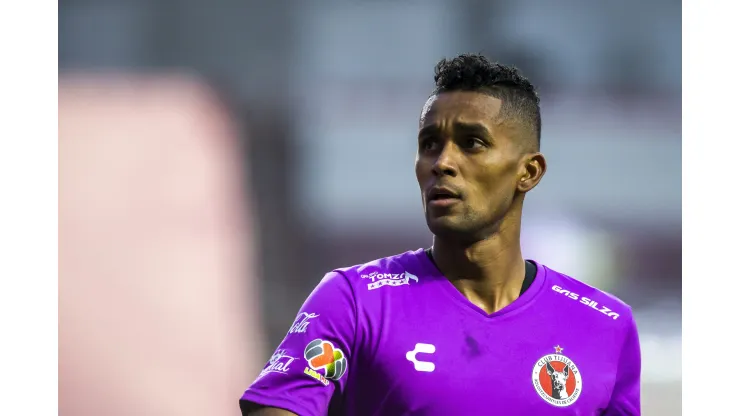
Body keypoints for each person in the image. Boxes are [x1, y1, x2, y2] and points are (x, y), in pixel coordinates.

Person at [239, 54, 641, 415]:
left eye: (472, 143)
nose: (443, 162)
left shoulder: (606, 326)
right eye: (430, 144)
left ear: (529, 172)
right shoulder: (356, 302)